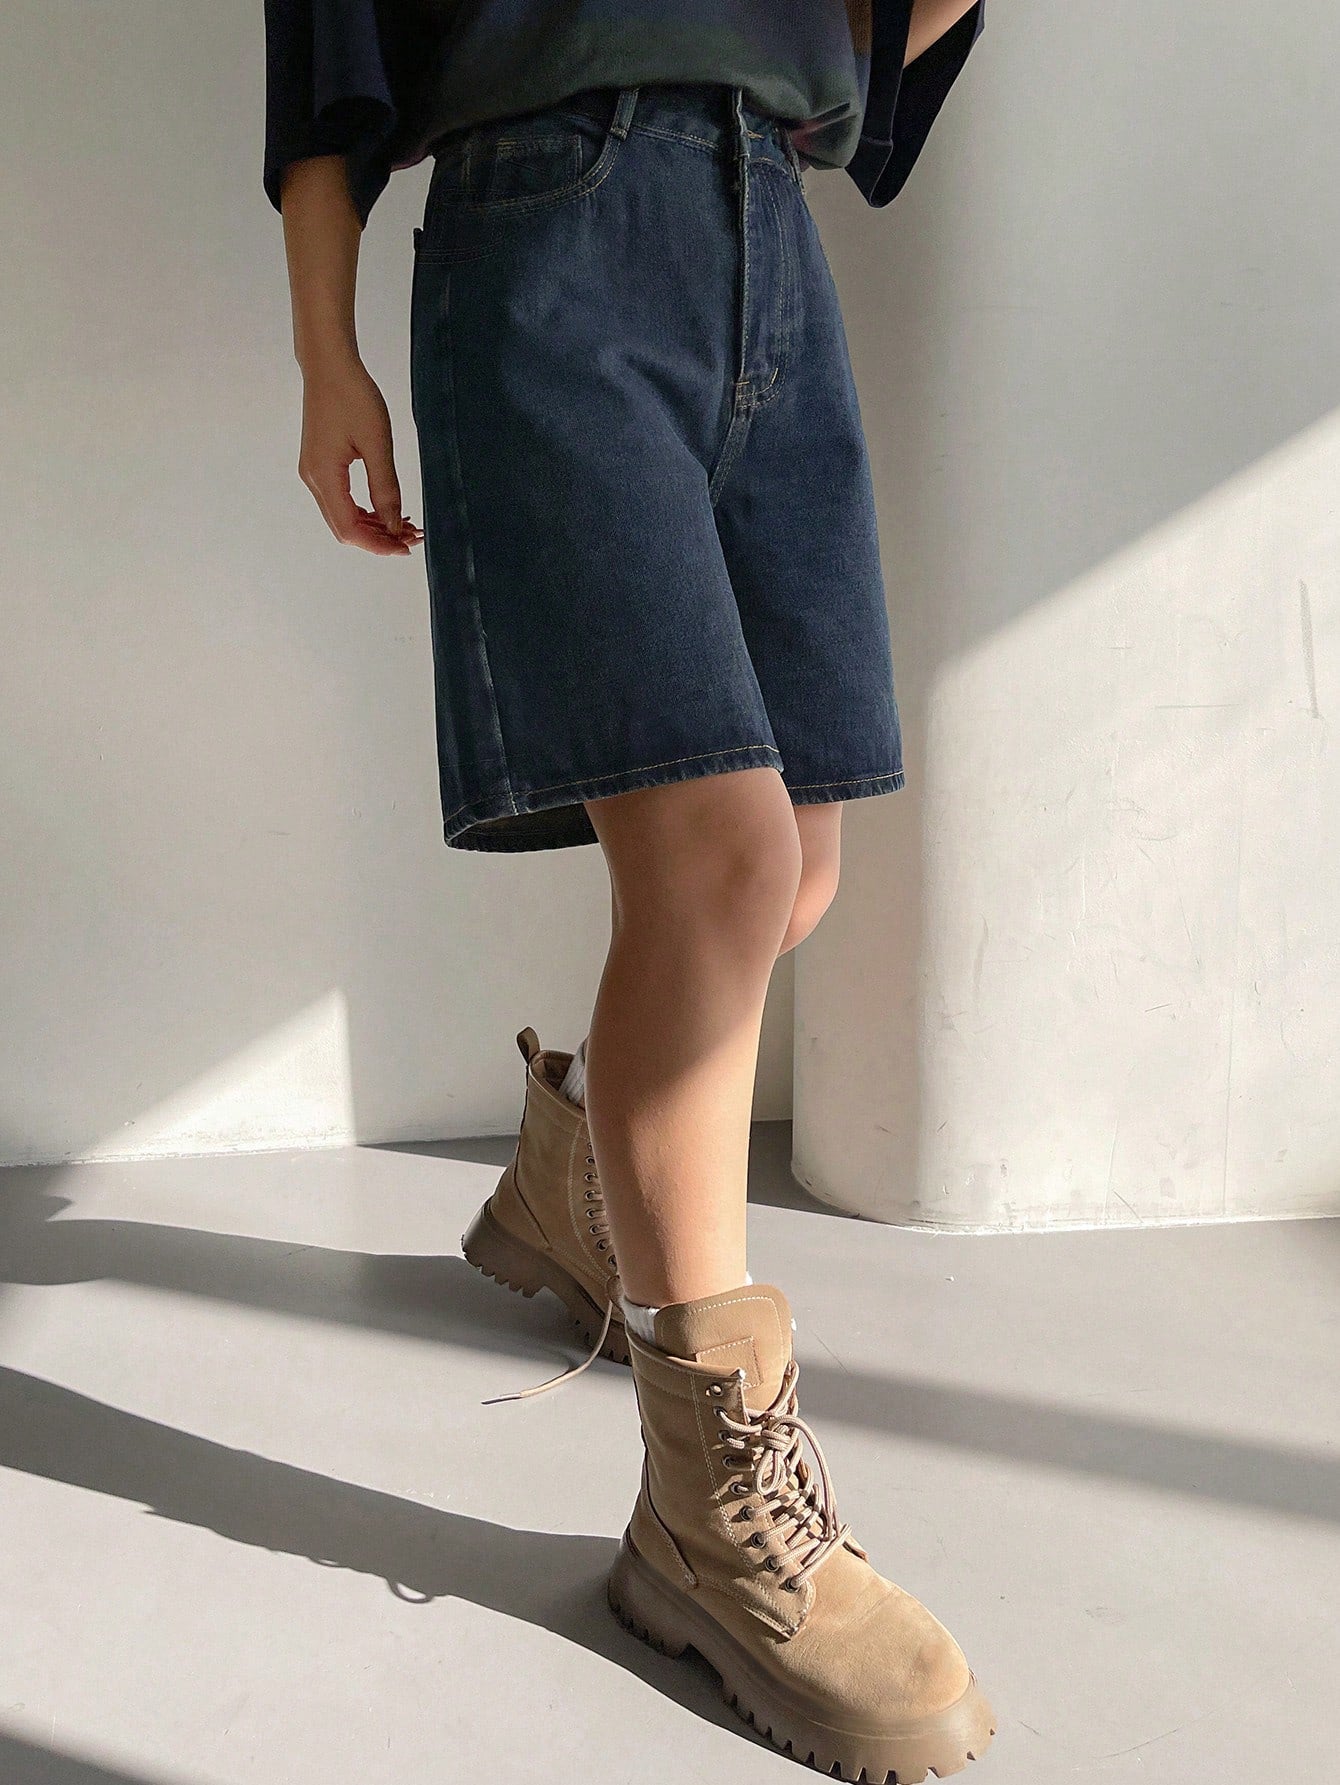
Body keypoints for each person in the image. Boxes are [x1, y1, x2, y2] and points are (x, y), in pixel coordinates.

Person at [264, 4, 993, 1777]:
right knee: (725, 861)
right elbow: (323, 40)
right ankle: (702, 1502)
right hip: (551, 224)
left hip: (775, 234)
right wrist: (325, 354)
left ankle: (575, 1164)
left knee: (796, 858)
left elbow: (875, 39)